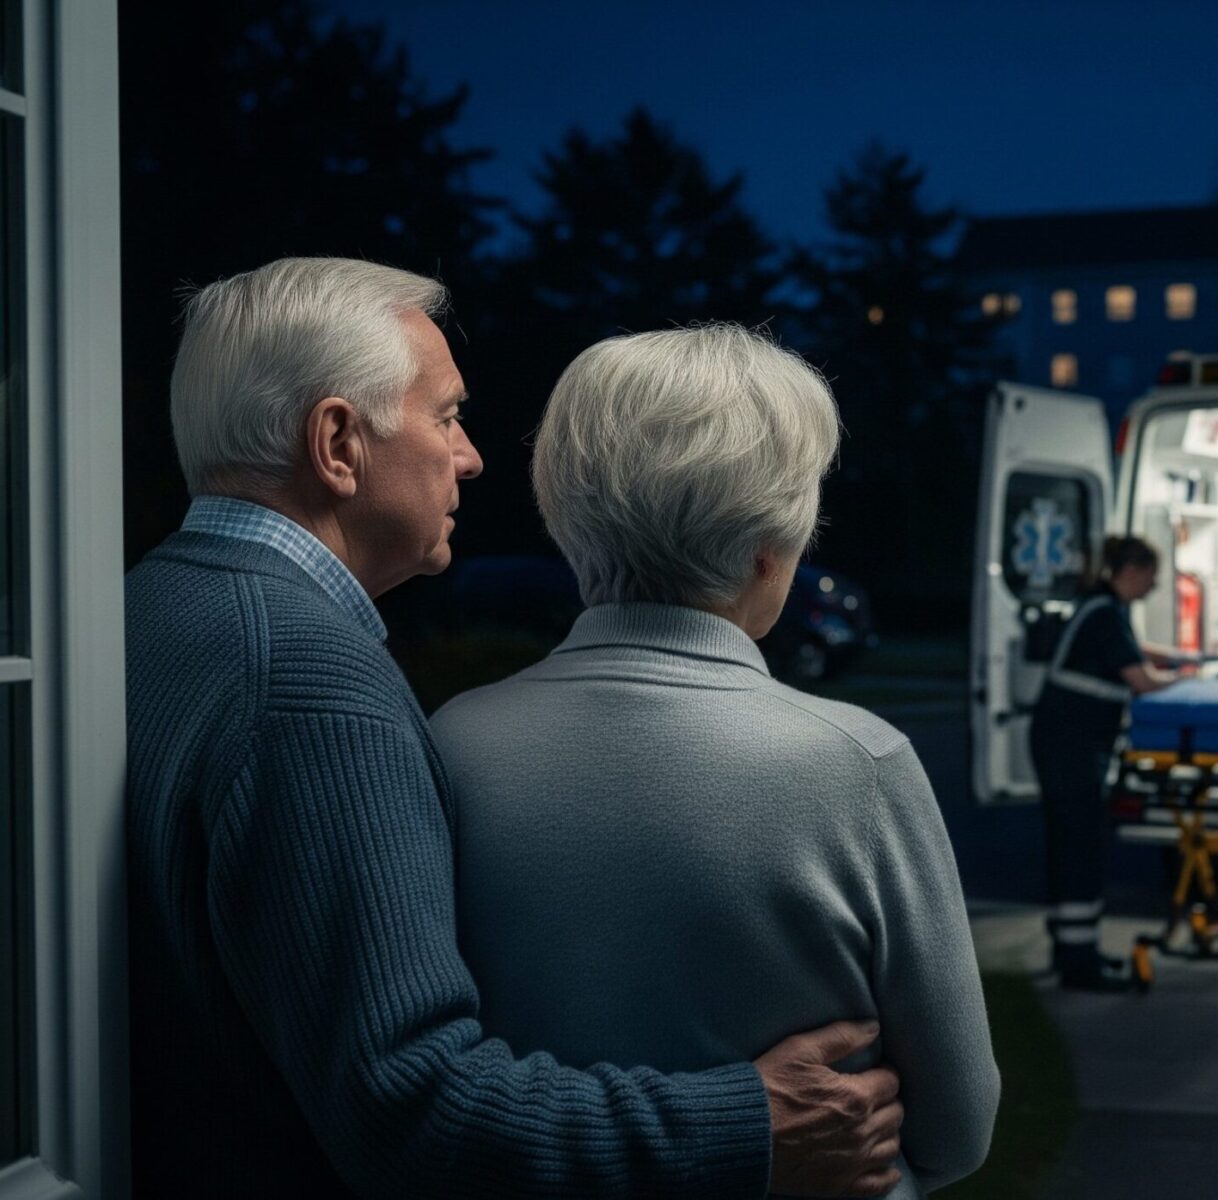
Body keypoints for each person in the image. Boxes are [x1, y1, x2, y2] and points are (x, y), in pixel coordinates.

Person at [125, 258, 904, 1198]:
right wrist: (745, 1127)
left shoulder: (148, 609)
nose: (472, 457)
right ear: (338, 443)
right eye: (446, 416)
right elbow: (411, 1109)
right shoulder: (306, 683)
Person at [427, 325, 1000, 1199]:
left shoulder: (451, 741)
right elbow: (958, 1125)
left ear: (565, 515)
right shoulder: (859, 763)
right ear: (770, 552)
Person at [1031, 534, 1186, 990]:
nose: (1152, 588)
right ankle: (1081, 965)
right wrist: (1193, 686)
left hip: (1066, 742)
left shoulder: (1102, 608)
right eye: (1151, 579)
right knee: (1080, 848)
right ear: (1132, 573)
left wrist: (1187, 660)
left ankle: (1073, 948)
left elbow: (1136, 653)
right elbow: (1142, 680)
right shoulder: (1103, 613)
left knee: (1070, 845)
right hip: (1071, 746)